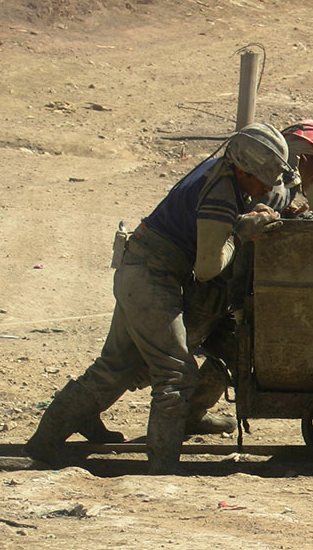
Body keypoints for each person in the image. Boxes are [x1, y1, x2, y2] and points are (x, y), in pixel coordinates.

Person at [24, 123, 293, 473]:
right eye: (262, 180)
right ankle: (162, 469)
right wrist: (240, 233)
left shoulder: (221, 170)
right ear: (242, 170)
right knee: (176, 376)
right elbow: (209, 267)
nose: (267, 188)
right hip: (150, 279)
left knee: (114, 370)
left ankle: (43, 445)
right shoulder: (220, 195)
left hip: (139, 270)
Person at [75, 120, 313, 444]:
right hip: (185, 278)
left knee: (216, 355)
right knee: (156, 361)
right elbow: (221, 250)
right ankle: (87, 431)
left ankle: (181, 415)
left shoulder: (264, 179)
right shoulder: (268, 184)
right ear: (302, 160)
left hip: (192, 276)